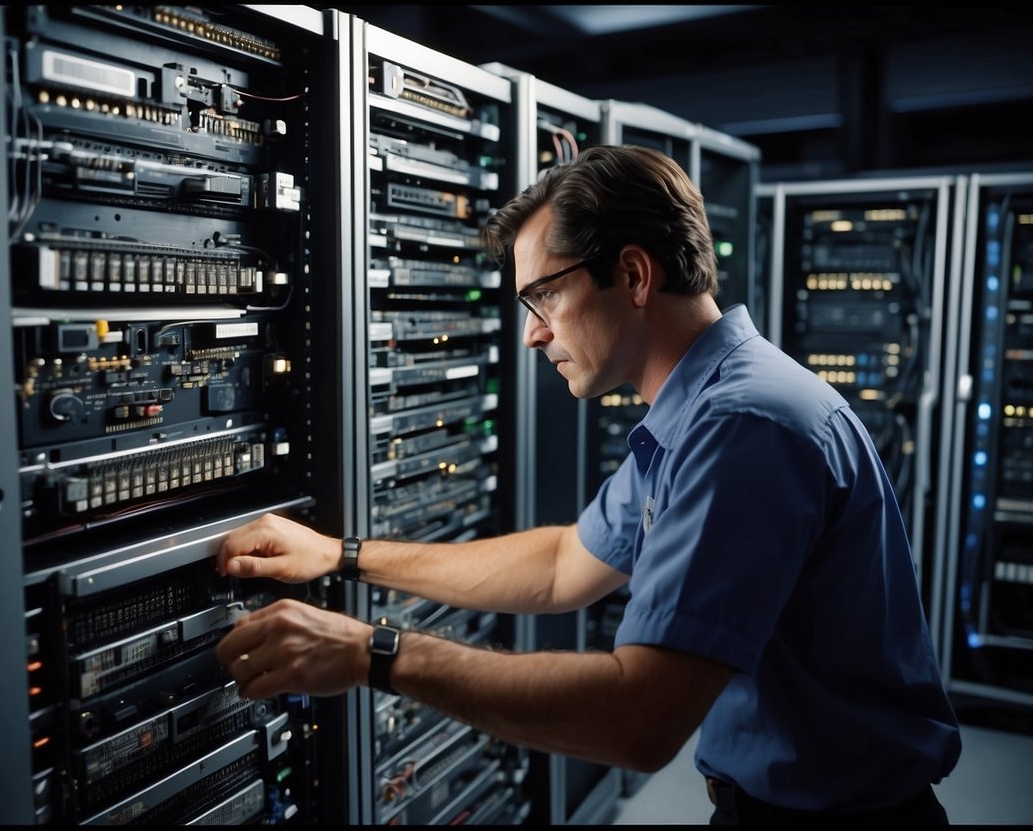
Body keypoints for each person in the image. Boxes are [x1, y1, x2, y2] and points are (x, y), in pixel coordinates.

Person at [214, 145, 961, 824]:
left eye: (541, 295)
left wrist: (372, 653)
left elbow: (636, 721)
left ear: (633, 274)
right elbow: (563, 565)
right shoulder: (705, 408)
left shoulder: (742, 426)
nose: (532, 332)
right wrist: (342, 555)